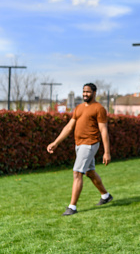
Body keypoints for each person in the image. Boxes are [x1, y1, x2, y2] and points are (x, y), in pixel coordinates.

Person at [47, 83, 113, 216]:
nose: (85, 94)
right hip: (79, 143)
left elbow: (103, 130)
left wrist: (107, 152)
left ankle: (72, 207)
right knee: (89, 172)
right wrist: (56, 142)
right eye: (83, 92)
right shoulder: (79, 108)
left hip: (90, 143)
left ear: (94, 93)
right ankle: (106, 196)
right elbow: (69, 127)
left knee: (77, 173)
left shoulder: (99, 109)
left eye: (88, 92)